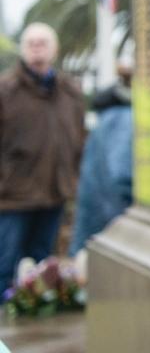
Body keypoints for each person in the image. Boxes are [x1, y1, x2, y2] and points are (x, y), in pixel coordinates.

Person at [0, 23, 87, 285]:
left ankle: (32, 320)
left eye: (43, 42)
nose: (37, 47)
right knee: (5, 265)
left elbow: (79, 138)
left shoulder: (70, 91)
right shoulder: (6, 90)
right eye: (31, 43)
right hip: (13, 196)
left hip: (54, 193)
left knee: (41, 268)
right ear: (23, 50)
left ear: (55, 49)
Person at [70, 57, 134, 255]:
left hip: (94, 215)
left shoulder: (105, 117)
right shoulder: (123, 118)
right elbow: (122, 178)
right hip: (111, 219)